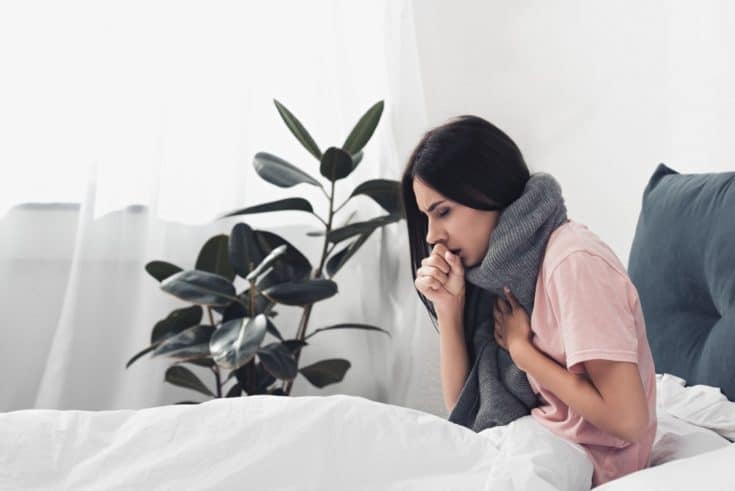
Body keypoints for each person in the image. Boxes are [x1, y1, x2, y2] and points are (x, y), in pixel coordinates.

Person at [399, 115, 657, 488]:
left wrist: (524, 352)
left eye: (443, 212)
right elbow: (462, 406)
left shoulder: (573, 262)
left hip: (595, 461)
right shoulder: (502, 272)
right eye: (427, 218)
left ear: (486, 191)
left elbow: (629, 419)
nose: (433, 236)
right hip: (541, 442)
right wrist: (449, 307)